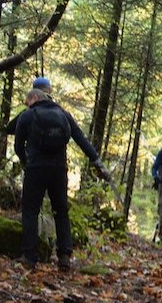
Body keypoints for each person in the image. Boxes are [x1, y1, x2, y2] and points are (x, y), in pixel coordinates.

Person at [13, 85, 109, 270]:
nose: (27, 106)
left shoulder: (27, 116)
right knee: (61, 211)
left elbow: (18, 146)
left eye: (27, 102)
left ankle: (29, 257)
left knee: (31, 211)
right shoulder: (63, 114)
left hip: (36, 168)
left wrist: (26, 162)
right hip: (59, 169)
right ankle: (64, 256)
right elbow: (81, 139)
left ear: (33, 98)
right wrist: (97, 161)